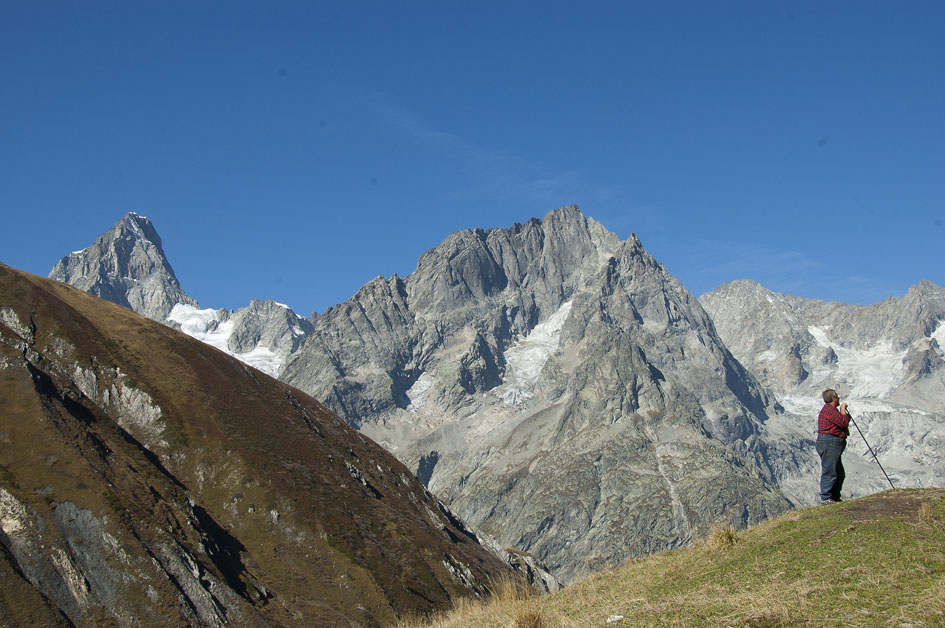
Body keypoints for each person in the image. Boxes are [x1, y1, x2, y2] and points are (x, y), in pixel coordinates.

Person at [816, 389, 851, 504]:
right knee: (830, 470)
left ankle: (835, 497)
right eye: (837, 397)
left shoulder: (829, 410)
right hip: (829, 442)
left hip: (829, 443)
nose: (839, 398)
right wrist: (842, 410)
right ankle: (826, 498)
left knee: (838, 472)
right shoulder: (830, 410)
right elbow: (843, 423)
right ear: (833, 398)